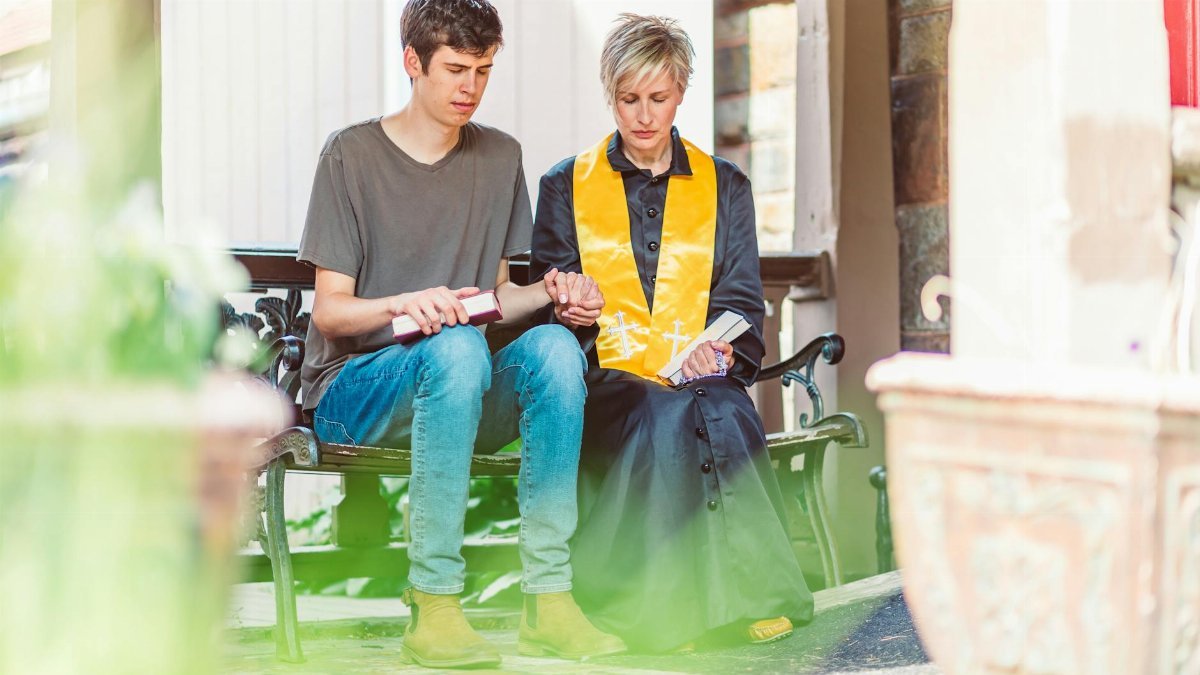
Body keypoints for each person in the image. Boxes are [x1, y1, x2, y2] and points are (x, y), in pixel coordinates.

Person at [296, 0, 623, 668]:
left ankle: (549, 598)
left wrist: (555, 294)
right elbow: (330, 313)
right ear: (413, 62)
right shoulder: (350, 156)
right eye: (454, 69)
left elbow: (495, 299)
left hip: (459, 378)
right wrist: (408, 305)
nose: (469, 87)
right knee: (453, 346)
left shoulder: (499, 157)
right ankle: (434, 600)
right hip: (355, 393)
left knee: (556, 349)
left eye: (483, 70)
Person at [530, 13, 813, 654]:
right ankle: (655, 610)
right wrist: (568, 311)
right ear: (612, 96)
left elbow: (741, 298)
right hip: (607, 379)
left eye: (657, 98)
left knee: (721, 406)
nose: (643, 115)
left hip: (700, 370)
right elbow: (549, 299)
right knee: (662, 412)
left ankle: (747, 600)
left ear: (681, 90)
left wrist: (719, 352)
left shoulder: (726, 185)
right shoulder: (564, 185)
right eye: (629, 99)